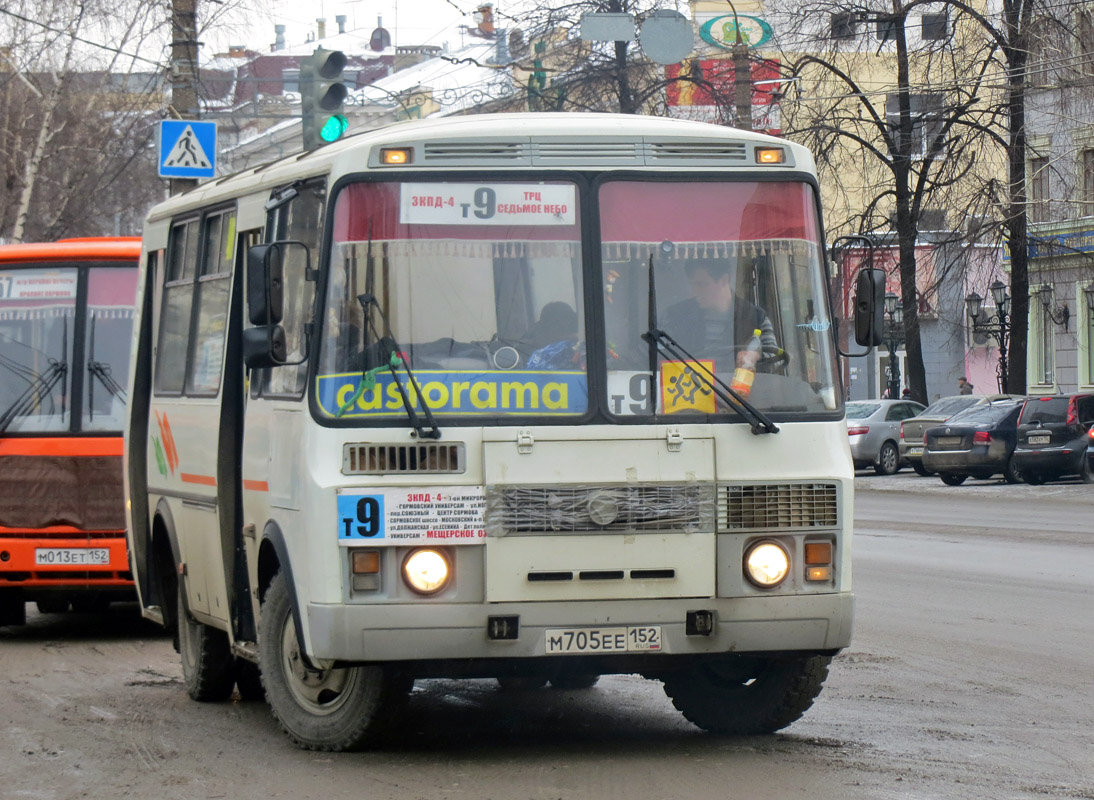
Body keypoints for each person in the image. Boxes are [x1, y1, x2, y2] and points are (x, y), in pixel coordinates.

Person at [661, 261, 777, 371]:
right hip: (686, 389)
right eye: (693, 285)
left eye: (701, 285)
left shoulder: (756, 318)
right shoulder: (674, 317)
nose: (694, 292)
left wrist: (755, 356)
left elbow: (775, 361)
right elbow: (651, 358)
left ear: (724, 280)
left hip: (739, 390)